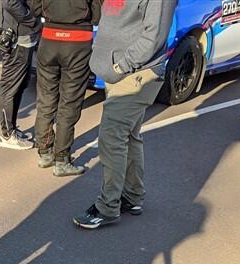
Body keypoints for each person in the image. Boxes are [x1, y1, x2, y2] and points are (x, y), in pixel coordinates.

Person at [73, 0, 175, 229]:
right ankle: (132, 197)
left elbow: (154, 36)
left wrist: (120, 66)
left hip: (136, 75)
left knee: (111, 138)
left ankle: (107, 207)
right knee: (129, 136)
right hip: (120, 73)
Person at [28, 0, 100, 176]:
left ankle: (45, 153)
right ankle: (62, 159)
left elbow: (35, 7)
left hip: (49, 38)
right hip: (78, 41)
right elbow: (97, 15)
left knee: (46, 99)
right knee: (70, 103)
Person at [0, 0, 40, 151]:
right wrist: (32, 20)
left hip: (20, 36)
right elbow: (11, 3)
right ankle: (7, 135)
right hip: (16, 39)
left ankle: (11, 130)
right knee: (10, 88)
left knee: (18, 86)